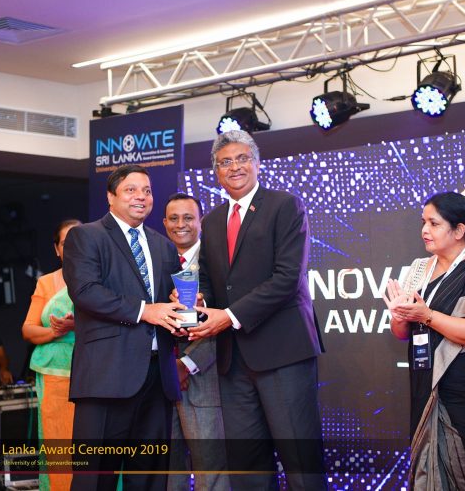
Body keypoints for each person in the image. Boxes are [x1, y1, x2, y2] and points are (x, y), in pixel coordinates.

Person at [189, 130, 326, 490]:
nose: (234, 167)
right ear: (216, 172)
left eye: (242, 158)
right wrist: (199, 301)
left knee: (301, 464)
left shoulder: (285, 205)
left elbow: (287, 278)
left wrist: (229, 316)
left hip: (283, 353)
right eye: (225, 162)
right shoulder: (212, 221)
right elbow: (210, 280)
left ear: (257, 162)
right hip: (233, 361)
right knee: (247, 467)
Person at [62, 164, 186, 491]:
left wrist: (184, 305)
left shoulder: (163, 246)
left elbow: (168, 303)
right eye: (131, 190)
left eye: (147, 191)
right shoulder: (86, 236)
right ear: (110, 197)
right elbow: (86, 292)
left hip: (157, 379)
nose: (141, 197)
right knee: (95, 479)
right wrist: (146, 310)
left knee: (149, 478)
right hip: (106, 376)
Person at [383, 191, 465, 490]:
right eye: (423, 222)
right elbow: (401, 333)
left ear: (459, 230)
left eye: (434, 223)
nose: (424, 230)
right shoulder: (419, 268)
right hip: (425, 382)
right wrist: (400, 316)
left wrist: (427, 315)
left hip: (464, 389)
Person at [163, 193, 229, 491]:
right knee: (168, 471)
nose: (181, 224)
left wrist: (186, 364)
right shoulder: (157, 260)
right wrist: (169, 365)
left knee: (211, 469)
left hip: (205, 378)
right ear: (164, 223)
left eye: (188, 218)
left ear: (200, 222)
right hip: (161, 381)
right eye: (174, 218)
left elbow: (227, 321)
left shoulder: (218, 261)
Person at [21, 219, 81, 491]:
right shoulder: (46, 283)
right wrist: (56, 331)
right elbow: (28, 329)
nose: (73, 248)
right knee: (59, 445)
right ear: (57, 249)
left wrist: (78, 326)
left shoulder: (103, 277)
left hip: (94, 372)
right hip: (54, 375)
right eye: (67, 243)